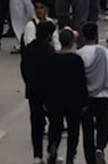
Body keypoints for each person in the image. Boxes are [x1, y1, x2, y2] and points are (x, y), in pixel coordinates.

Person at [78, 23, 108, 164]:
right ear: (96, 35)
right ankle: (100, 147)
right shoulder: (103, 52)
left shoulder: (79, 54)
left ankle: (90, 160)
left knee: (87, 130)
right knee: (104, 126)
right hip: (102, 96)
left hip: (86, 99)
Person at [49, 28, 88, 164]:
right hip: (73, 100)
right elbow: (82, 81)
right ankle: (70, 157)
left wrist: (46, 99)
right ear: (72, 42)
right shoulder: (76, 60)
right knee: (73, 130)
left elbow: (47, 81)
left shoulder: (52, 59)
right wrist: (84, 101)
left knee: (55, 126)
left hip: (55, 99)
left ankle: (53, 146)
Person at [22, 20, 56, 163]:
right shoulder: (49, 51)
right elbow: (53, 73)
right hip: (48, 93)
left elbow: (23, 68)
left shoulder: (29, 49)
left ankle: (37, 155)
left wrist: (29, 84)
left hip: (33, 92)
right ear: (48, 35)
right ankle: (51, 149)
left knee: (36, 123)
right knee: (55, 121)